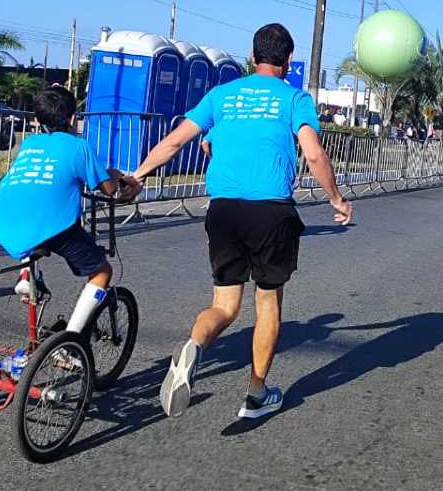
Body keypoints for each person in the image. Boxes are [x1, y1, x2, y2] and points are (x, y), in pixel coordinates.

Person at [127, 23, 352, 421]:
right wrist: (336, 198)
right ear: (287, 60)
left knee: (225, 305)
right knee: (267, 304)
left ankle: (194, 347)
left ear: (252, 56)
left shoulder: (221, 95)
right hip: (271, 211)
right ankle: (256, 393)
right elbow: (314, 154)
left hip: (224, 209)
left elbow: (177, 140)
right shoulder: (295, 98)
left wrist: (137, 176)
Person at [0, 87, 138, 335]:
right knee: (102, 271)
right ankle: (72, 341)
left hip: (3, 220)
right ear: (72, 118)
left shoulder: (30, 143)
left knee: (36, 231)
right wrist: (119, 177)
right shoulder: (78, 146)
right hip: (50, 223)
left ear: (38, 120)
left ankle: (26, 274)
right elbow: (109, 189)